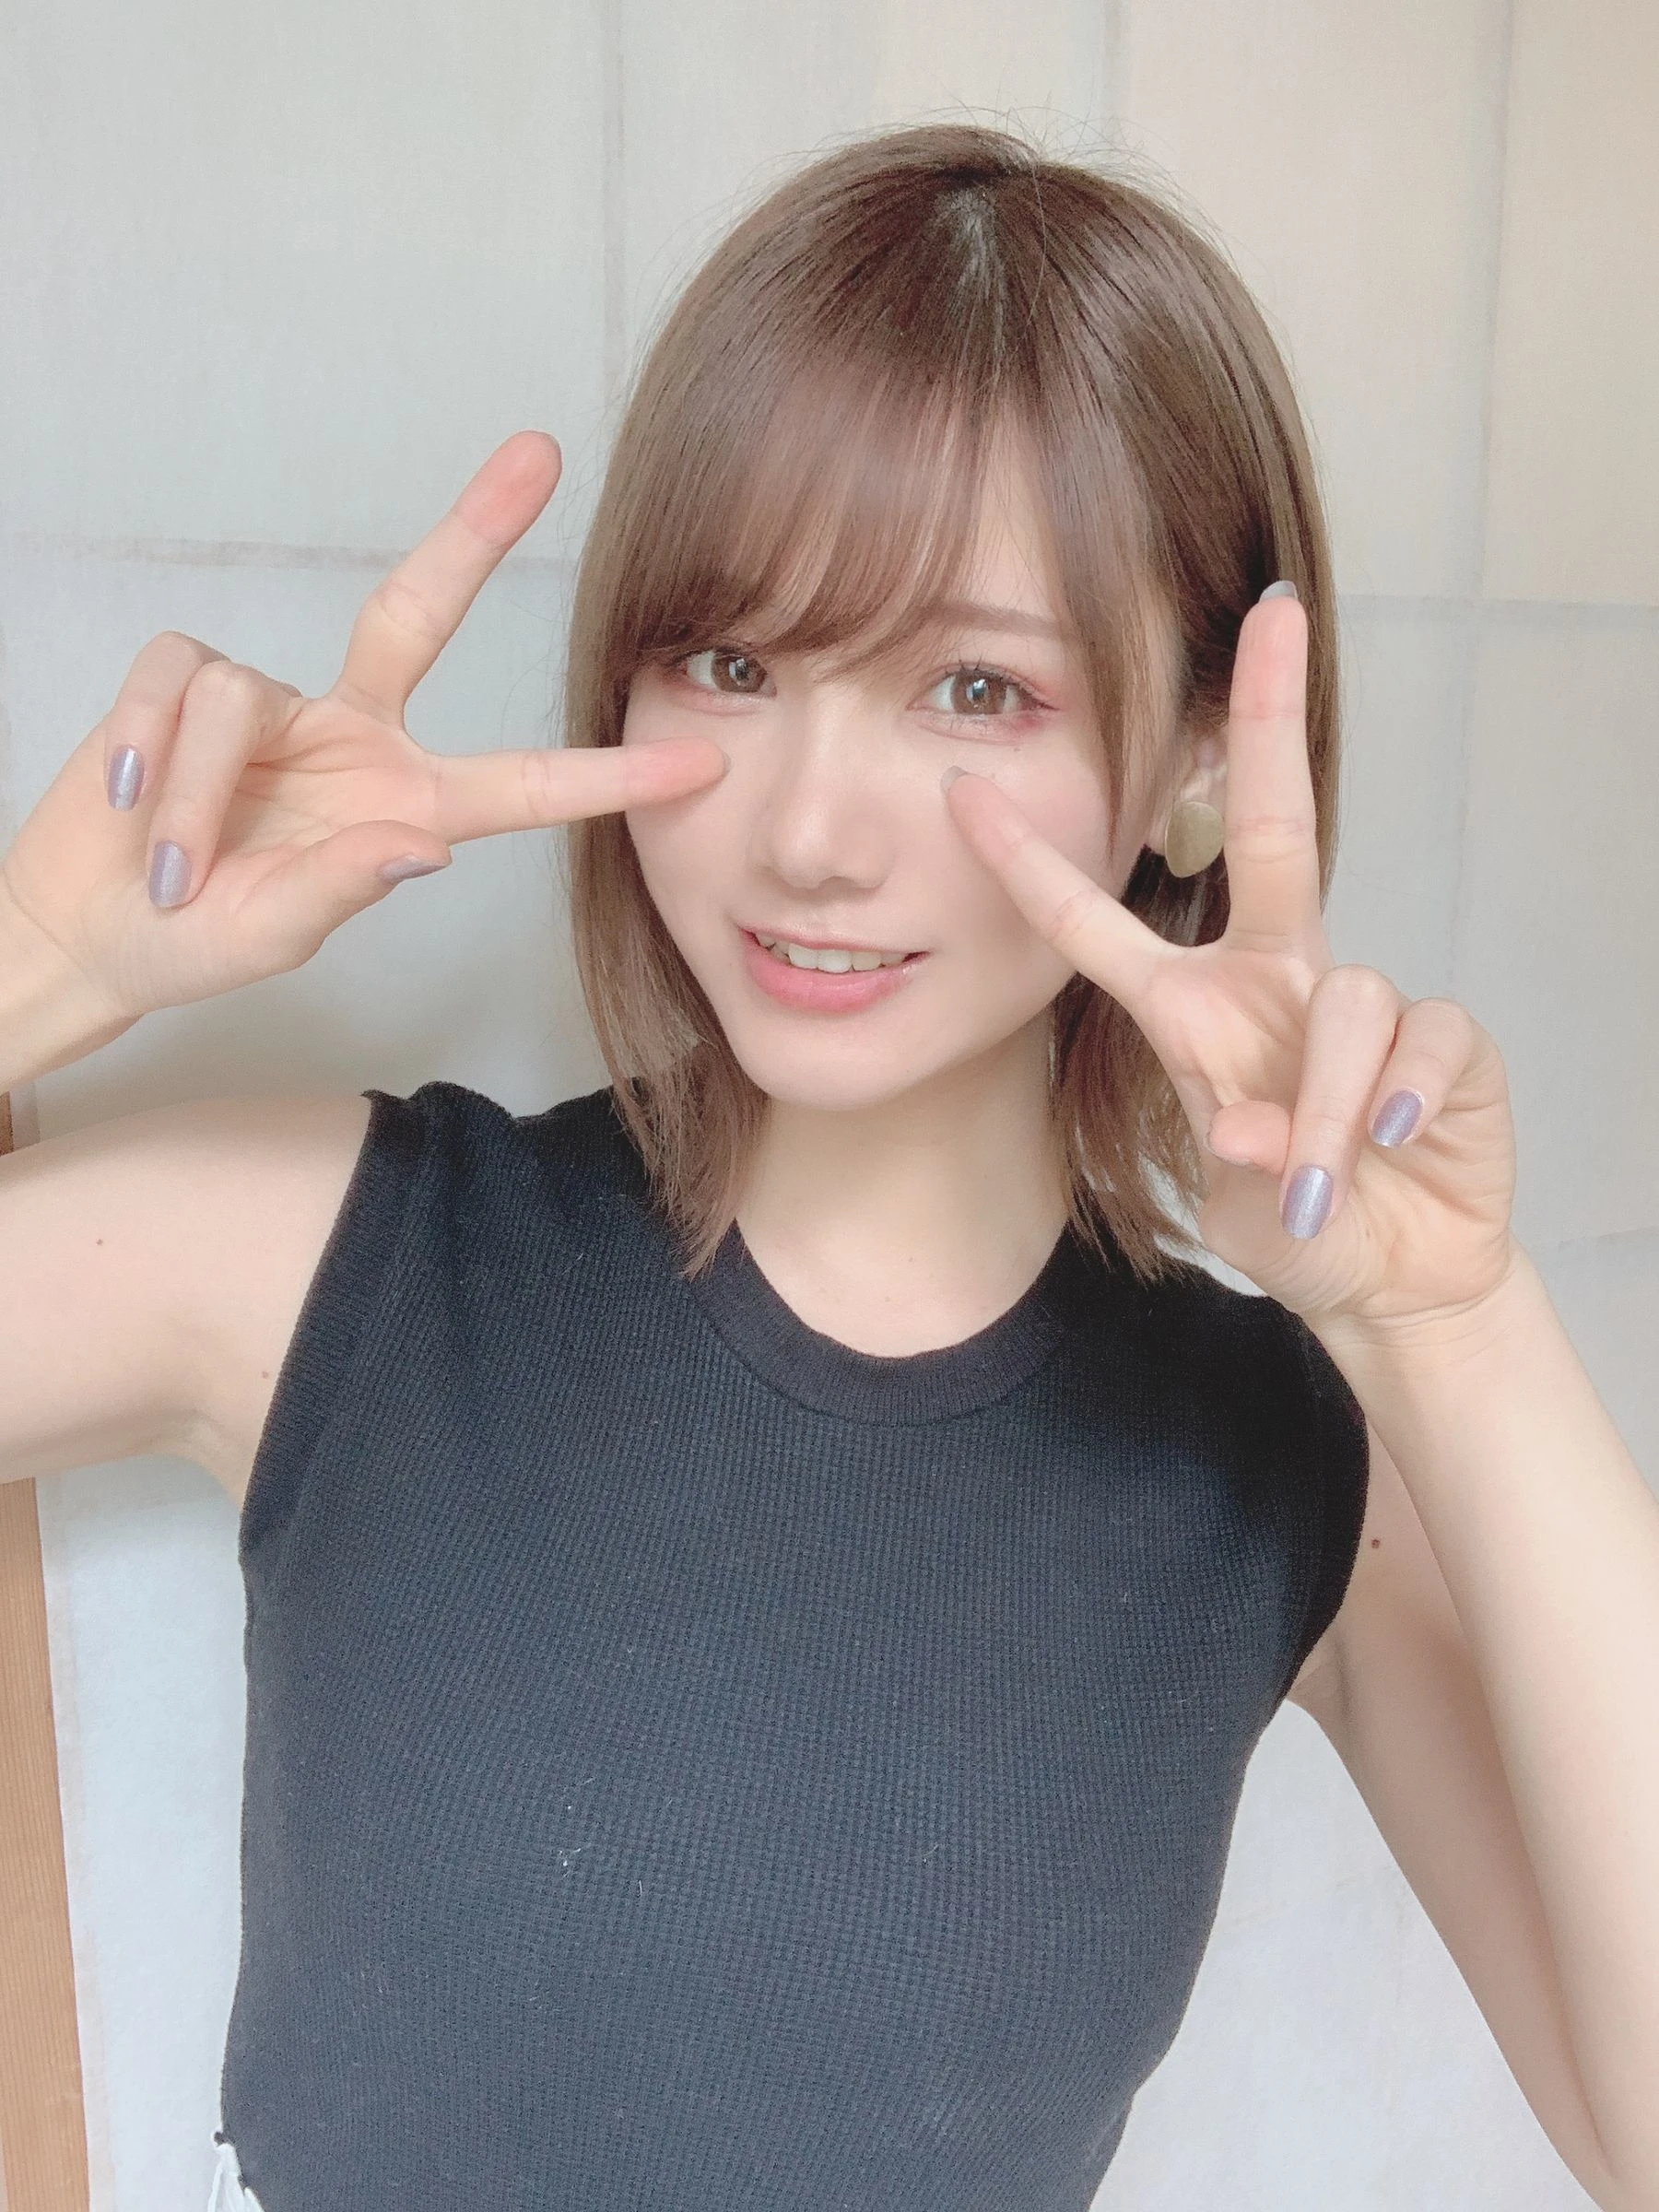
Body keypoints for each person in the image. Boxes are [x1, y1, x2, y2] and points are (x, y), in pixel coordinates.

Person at [2, 123, 1654, 2212]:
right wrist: (42, 963)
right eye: (735, 662)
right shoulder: (335, 1265)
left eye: (975, 688)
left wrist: (1459, 1326)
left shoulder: (1286, 1469)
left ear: (1197, 764)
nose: (804, 834)